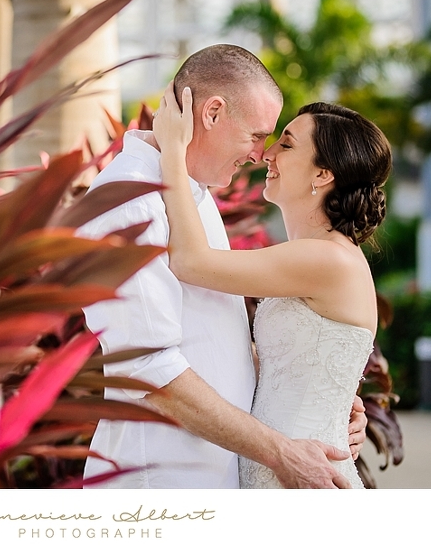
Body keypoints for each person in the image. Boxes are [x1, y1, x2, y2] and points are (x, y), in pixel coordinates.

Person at [79, 44, 367, 489]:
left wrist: (321, 394)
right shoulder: (127, 203)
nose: (261, 154)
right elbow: (149, 371)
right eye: (256, 135)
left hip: (216, 477)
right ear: (212, 113)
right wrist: (280, 451)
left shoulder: (192, 195)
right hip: (161, 481)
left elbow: (216, 342)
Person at [152, 79, 391, 488]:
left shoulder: (328, 258)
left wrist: (172, 151)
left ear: (322, 174)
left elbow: (191, 262)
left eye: (287, 144)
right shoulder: (319, 255)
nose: (267, 153)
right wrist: (335, 401)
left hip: (302, 477)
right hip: (282, 468)